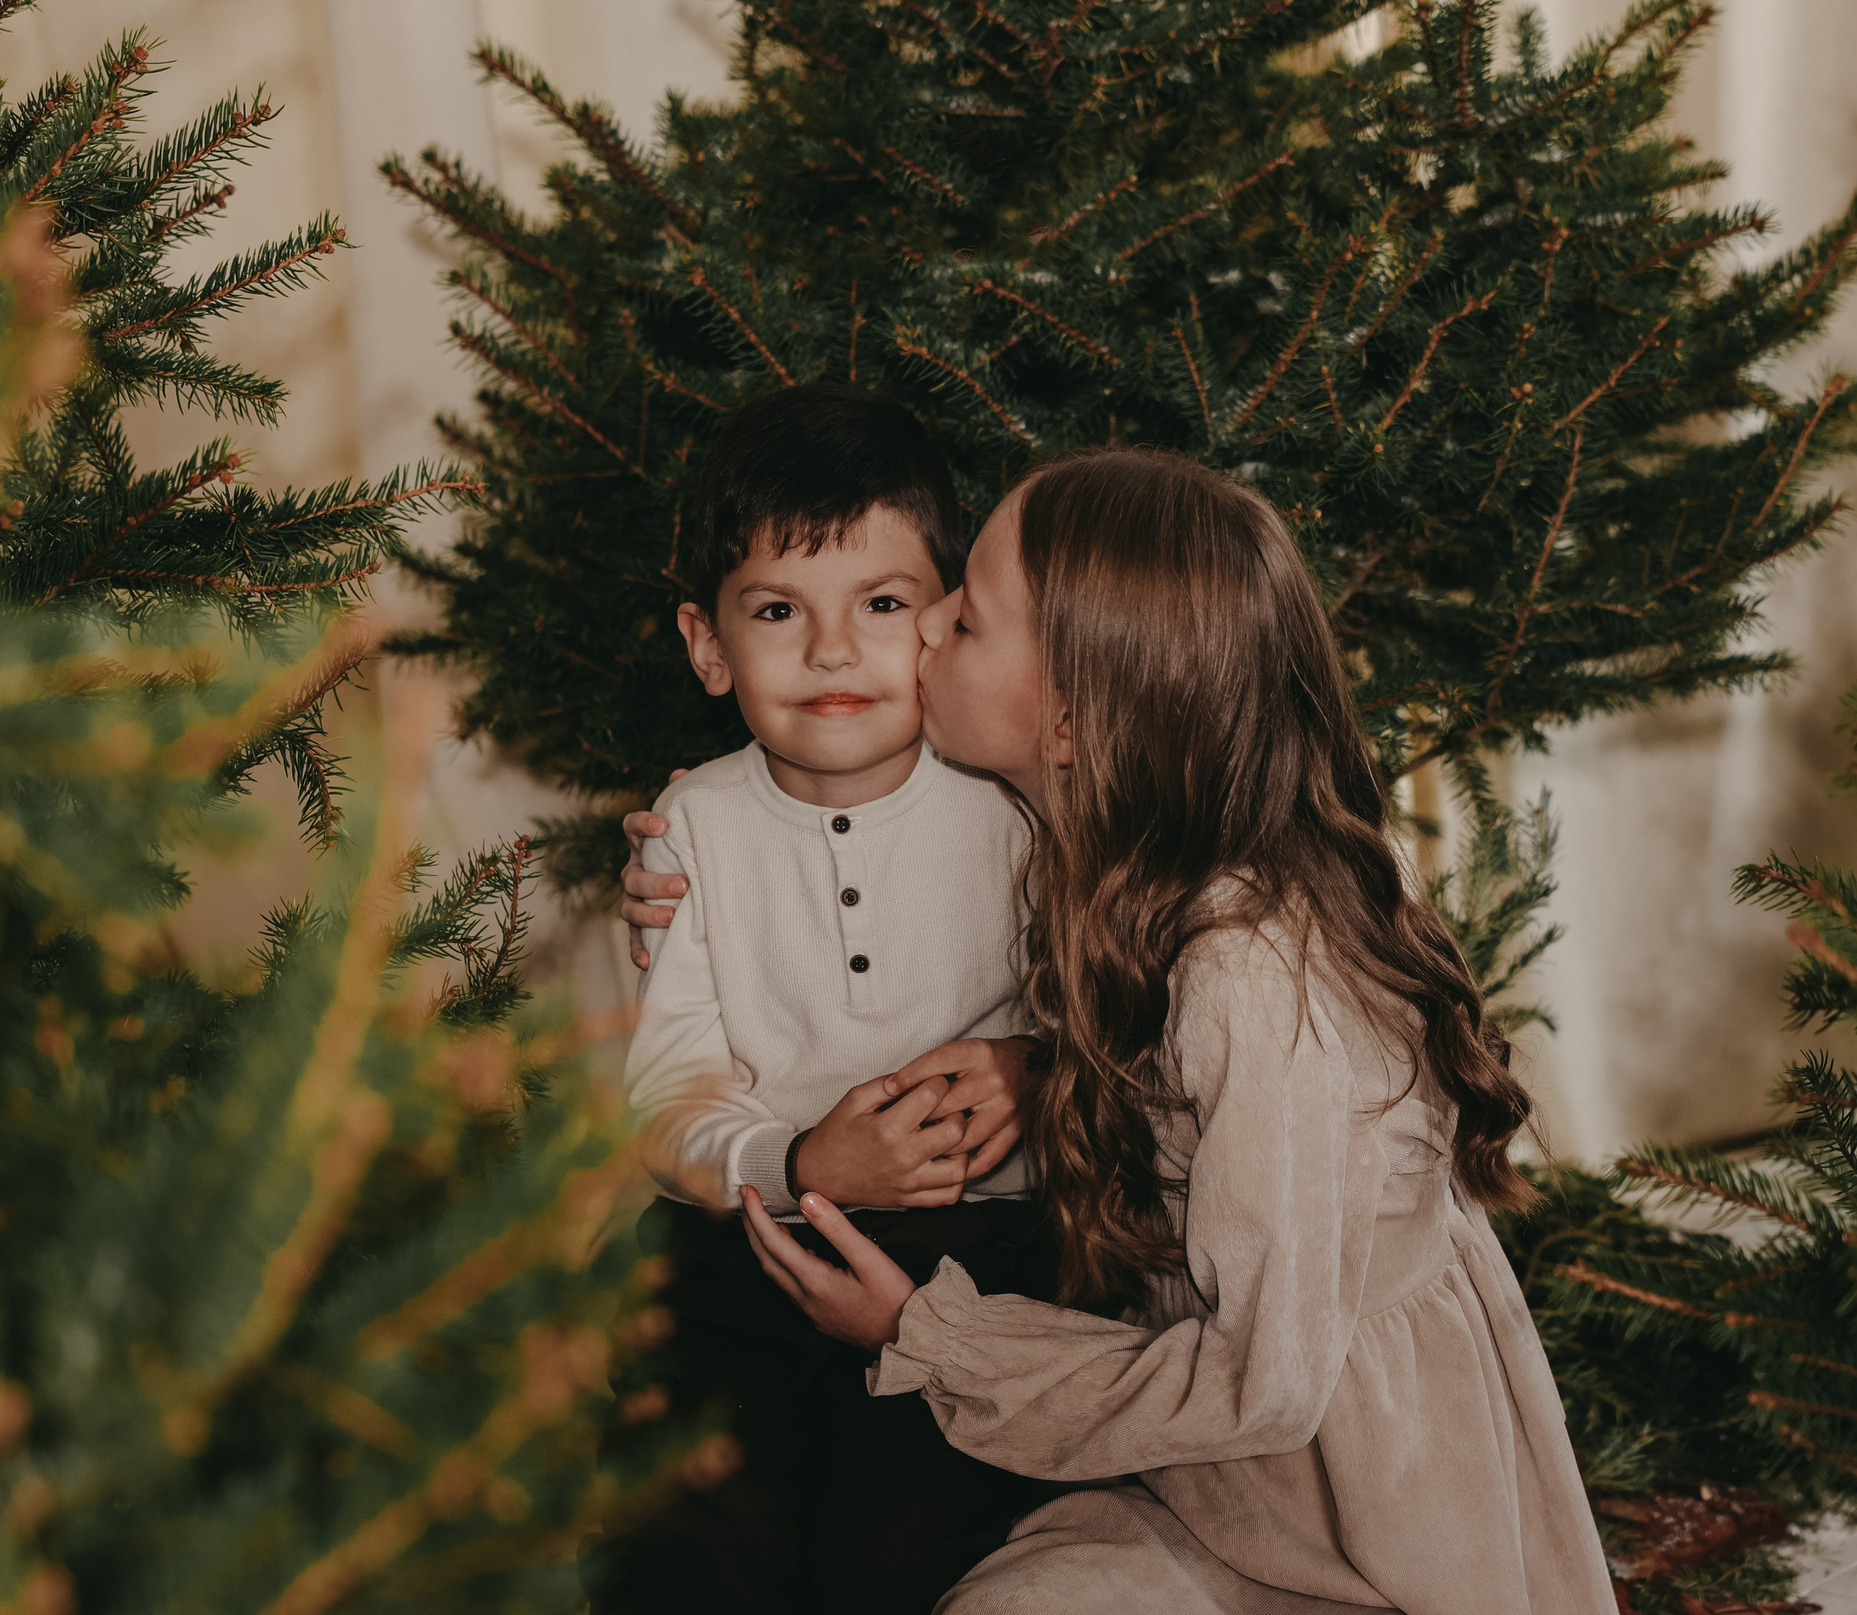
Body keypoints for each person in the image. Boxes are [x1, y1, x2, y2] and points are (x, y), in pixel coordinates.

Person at [648, 446, 1623, 1614]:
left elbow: (1266, 1383)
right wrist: (704, 843)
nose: (920, 628)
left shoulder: (1254, 976)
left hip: (1350, 1518)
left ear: (1067, 718)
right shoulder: (1113, 855)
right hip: (1209, 1467)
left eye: (962, 618)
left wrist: (931, 1335)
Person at [586, 384, 1057, 1615]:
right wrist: (800, 1163)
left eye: (883, 606)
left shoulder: (1013, 810)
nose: (833, 652)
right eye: (779, 611)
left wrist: (1032, 1071)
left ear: (944, 624)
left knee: (894, 1564)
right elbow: (669, 1102)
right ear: (707, 644)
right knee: (690, 1559)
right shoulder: (698, 826)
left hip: (979, 1267)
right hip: (753, 1259)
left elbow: (1125, 1021)